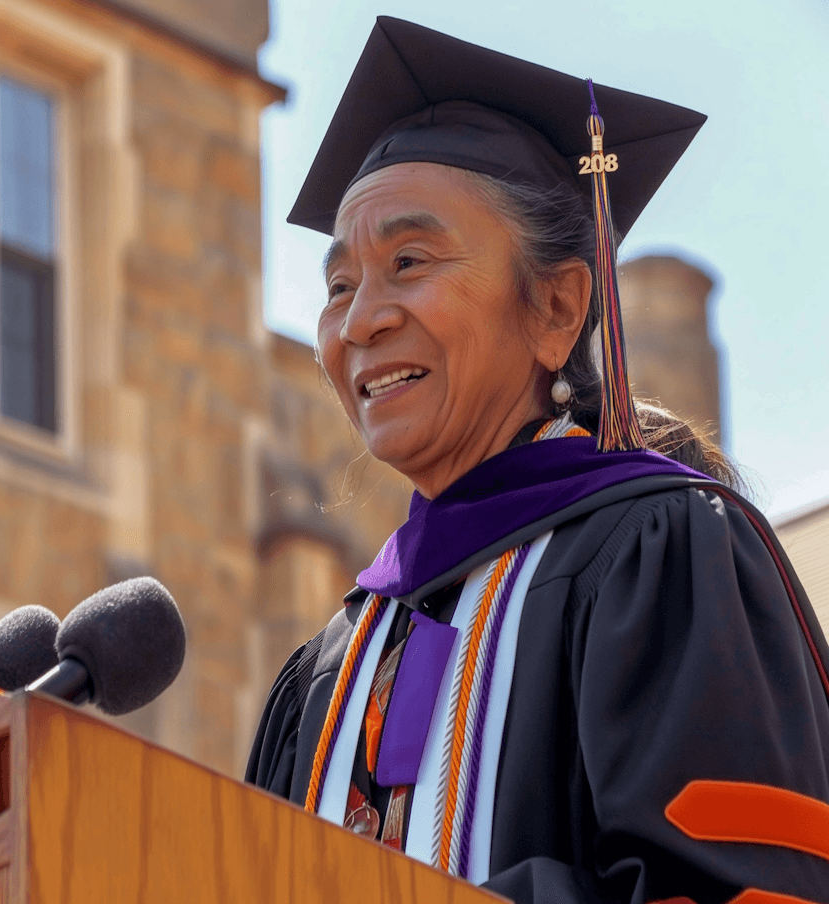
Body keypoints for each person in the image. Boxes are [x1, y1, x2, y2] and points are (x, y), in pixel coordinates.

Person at [245, 17, 829, 904]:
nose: (360, 319)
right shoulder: (329, 667)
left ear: (557, 307)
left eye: (409, 260)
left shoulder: (664, 554)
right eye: (337, 285)